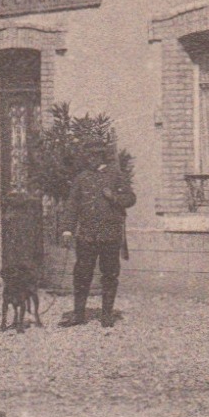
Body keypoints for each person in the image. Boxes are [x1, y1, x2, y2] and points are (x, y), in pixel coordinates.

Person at [58, 138, 136, 328]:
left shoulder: (116, 175)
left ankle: (107, 315)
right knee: (81, 274)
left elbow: (131, 198)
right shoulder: (81, 178)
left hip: (110, 234)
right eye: (88, 155)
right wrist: (67, 229)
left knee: (109, 274)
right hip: (87, 235)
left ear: (102, 156)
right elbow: (72, 205)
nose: (91, 159)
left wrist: (114, 197)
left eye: (95, 155)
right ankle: (78, 314)